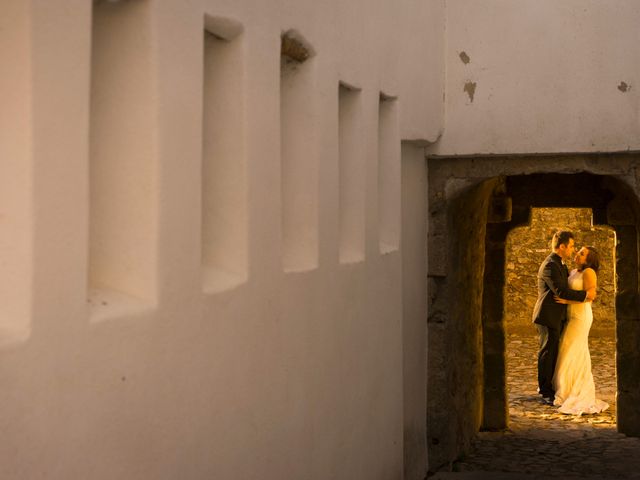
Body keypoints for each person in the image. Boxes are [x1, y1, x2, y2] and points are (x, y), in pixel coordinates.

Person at [532, 231, 594, 404]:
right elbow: (560, 291)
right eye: (572, 246)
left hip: (558, 316)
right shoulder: (550, 265)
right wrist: (586, 296)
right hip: (547, 315)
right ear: (562, 247)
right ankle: (545, 390)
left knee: (553, 352)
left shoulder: (560, 264)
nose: (573, 250)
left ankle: (550, 385)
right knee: (547, 352)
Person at [552, 246, 609, 415]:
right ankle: (566, 388)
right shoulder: (573, 272)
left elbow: (591, 296)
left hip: (581, 317)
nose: (577, 254)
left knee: (571, 350)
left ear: (589, 260)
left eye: (582, 254)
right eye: (578, 251)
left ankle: (572, 391)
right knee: (567, 349)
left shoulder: (589, 272)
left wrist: (567, 302)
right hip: (571, 317)